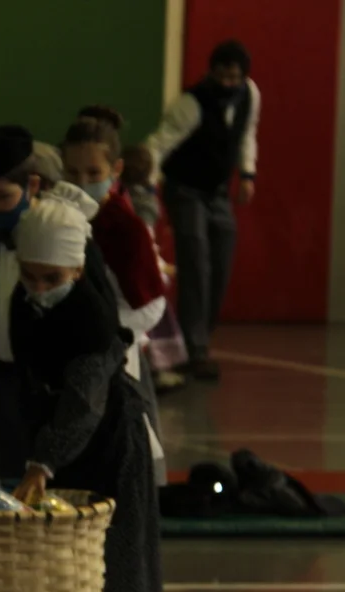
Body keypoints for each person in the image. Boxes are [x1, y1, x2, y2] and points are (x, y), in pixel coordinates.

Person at [0, 125, 114, 479]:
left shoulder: (65, 242)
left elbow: (100, 334)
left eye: (2, 196)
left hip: (50, 392)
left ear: (32, 186)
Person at [9, 195, 162, 592]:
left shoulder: (91, 320)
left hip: (108, 441)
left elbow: (83, 405)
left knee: (101, 570)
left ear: (77, 270)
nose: (39, 288)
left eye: (51, 278)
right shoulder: (24, 302)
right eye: (29, 276)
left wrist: (44, 462)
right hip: (62, 439)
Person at [61, 106, 168, 488]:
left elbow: (152, 305)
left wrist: (105, 329)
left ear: (115, 170)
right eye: (72, 173)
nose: (82, 182)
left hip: (118, 362)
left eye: (94, 174)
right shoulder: (59, 219)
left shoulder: (126, 228)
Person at [146, 39, 260, 380]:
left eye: (234, 77)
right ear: (210, 72)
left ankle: (200, 339)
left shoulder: (250, 95)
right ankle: (194, 350)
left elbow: (247, 134)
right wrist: (146, 184)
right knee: (195, 264)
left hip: (218, 192)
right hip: (185, 190)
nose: (227, 83)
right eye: (221, 76)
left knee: (221, 263)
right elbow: (159, 144)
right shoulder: (191, 103)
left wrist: (247, 173)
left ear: (243, 77)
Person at [120, 144, 189, 393]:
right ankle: (154, 372)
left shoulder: (121, 199)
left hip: (134, 279)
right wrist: (160, 268)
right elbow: (145, 243)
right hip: (144, 282)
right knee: (151, 328)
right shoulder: (143, 204)